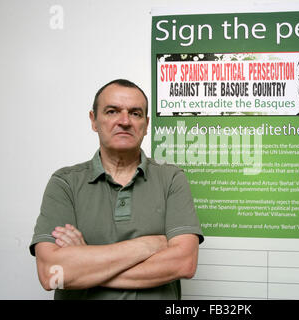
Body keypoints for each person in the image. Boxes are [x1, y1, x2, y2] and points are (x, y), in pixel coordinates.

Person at [30, 79, 204, 300]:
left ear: (146, 124)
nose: (124, 121)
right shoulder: (65, 183)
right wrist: (147, 245)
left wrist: (84, 263)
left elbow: (184, 263)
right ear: (94, 121)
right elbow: (51, 274)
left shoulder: (171, 178)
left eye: (135, 113)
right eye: (112, 111)